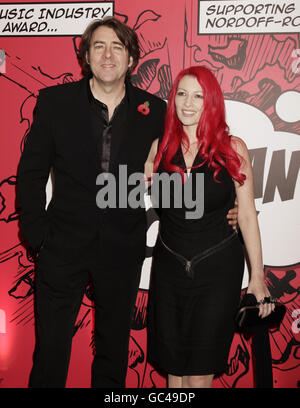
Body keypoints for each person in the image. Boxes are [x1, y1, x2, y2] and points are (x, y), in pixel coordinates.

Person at [17, 17, 237, 388]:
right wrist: (35, 234)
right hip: (61, 246)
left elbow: (197, 152)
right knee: (50, 352)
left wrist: (228, 206)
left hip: (123, 247)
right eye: (99, 46)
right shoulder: (55, 103)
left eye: (118, 47)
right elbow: (32, 172)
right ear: (85, 56)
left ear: (131, 59)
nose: (108, 55)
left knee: (113, 351)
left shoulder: (155, 111)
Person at [145, 66, 275, 388]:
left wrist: (257, 278)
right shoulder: (157, 148)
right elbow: (121, 194)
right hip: (169, 268)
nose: (188, 103)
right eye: (182, 94)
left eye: (198, 96)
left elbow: (246, 215)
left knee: (201, 371)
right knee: (173, 370)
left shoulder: (234, 149)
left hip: (217, 270)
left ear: (212, 102)